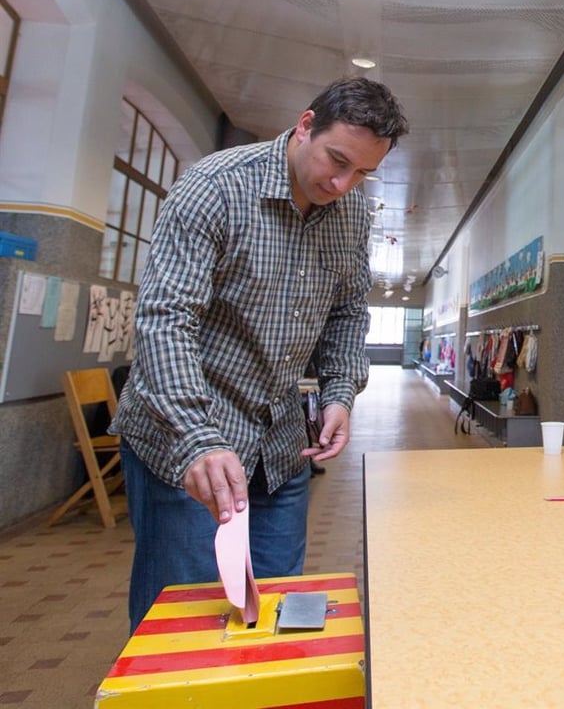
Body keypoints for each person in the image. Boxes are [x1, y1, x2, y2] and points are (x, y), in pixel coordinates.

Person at [112, 76, 409, 631]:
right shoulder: (216, 186)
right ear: (304, 126)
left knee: (276, 613)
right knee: (186, 621)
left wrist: (340, 394)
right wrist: (198, 439)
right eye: (337, 161)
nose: (343, 184)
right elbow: (165, 319)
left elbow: (347, 313)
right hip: (189, 439)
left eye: (363, 173)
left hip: (278, 445)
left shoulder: (349, 214)